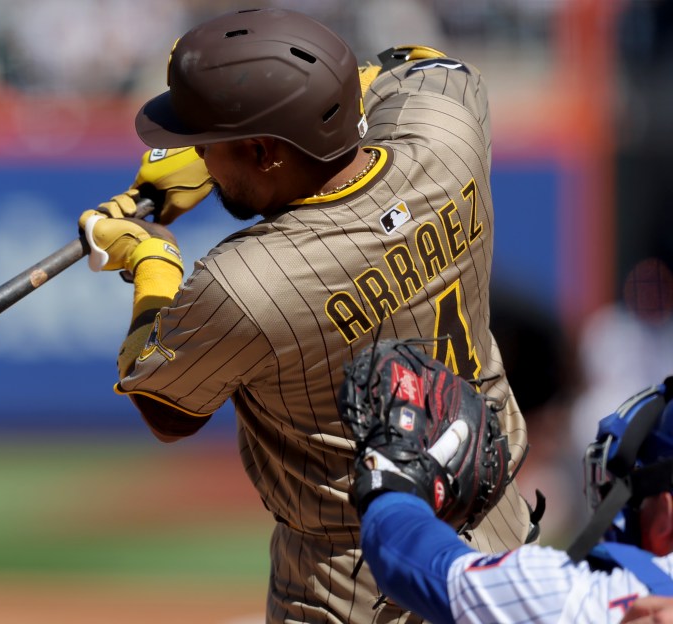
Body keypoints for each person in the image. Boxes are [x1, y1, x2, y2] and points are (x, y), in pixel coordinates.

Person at [77, 8, 535, 623]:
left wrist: (152, 261)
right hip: (503, 540)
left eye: (205, 145)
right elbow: (426, 65)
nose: (198, 158)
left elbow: (164, 407)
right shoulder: (446, 134)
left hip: (359, 583)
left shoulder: (250, 283)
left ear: (265, 150)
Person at [357, 379, 673, 624]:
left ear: (666, 517)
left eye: (635, 499)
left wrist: (394, 481)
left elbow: (406, 558)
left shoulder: (582, 596)